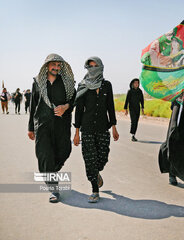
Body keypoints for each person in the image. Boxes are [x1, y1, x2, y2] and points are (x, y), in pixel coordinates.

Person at [28, 53, 76, 203]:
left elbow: (74, 100)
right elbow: (33, 105)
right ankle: (53, 188)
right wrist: (31, 127)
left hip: (61, 125)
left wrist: (66, 107)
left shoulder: (67, 82)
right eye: (53, 64)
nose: (56, 67)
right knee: (45, 155)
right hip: (42, 125)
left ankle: (50, 172)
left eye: (58, 65)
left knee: (64, 151)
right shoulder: (37, 83)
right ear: (47, 66)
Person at [73, 57, 119, 203]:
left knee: (102, 159)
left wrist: (114, 127)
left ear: (101, 67)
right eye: (90, 66)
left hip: (102, 127)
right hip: (86, 129)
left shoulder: (107, 85)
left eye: (95, 65)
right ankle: (95, 190)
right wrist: (76, 133)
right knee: (90, 159)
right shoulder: (82, 86)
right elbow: (79, 111)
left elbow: (110, 106)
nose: (93, 68)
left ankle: (97, 173)